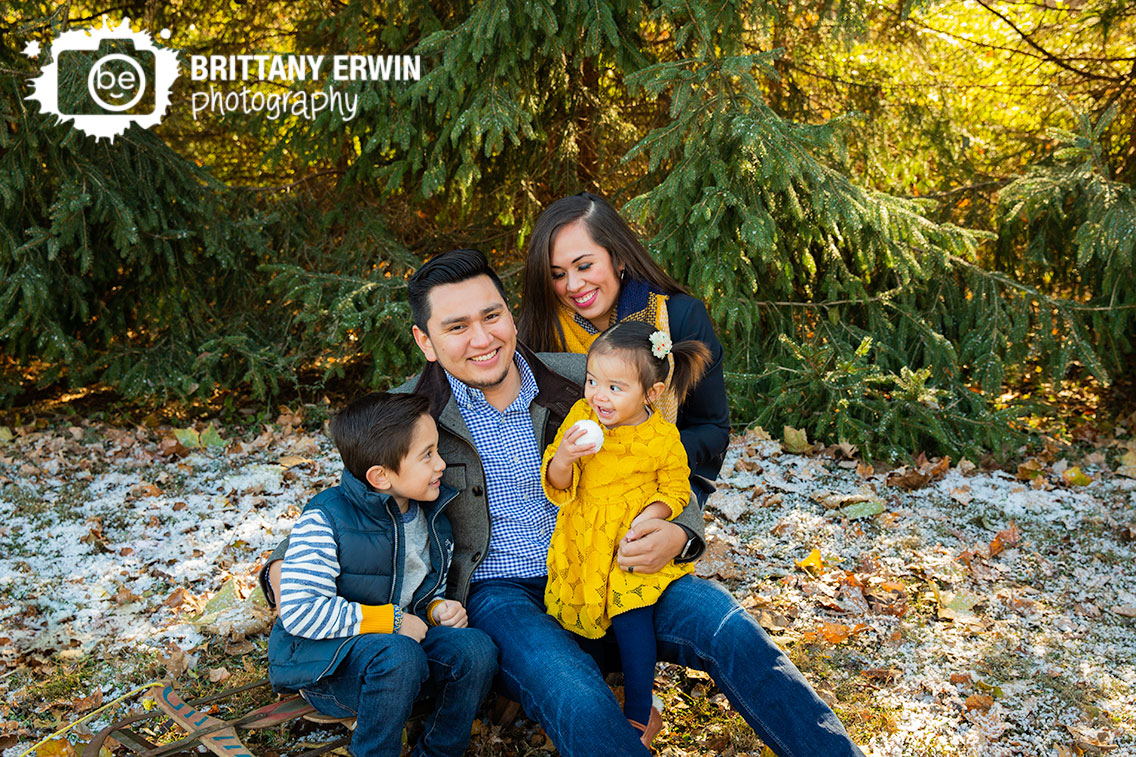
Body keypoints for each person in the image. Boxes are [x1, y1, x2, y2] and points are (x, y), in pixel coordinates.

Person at [264, 248, 865, 757]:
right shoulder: (404, 417)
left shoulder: (592, 378)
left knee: (728, 627)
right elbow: (349, 505)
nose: (482, 339)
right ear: (425, 341)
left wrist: (680, 531)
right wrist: (279, 570)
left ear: (512, 316)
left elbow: (665, 464)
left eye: (492, 315)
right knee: (575, 694)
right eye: (455, 327)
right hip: (501, 595)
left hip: (614, 567)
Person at [267, 392, 496, 757]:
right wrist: (390, 621)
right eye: (427, 455)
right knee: (397, 654)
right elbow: (299, 612)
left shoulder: (430, 514)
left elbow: (417, 592)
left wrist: (436, 609)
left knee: (476, 649)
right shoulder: (326, 518)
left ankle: (439, 750)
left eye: (436, 450)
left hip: (401, 657)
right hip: (329, 670)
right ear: (381, 476)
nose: (441, 465)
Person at [543, 320, 711, 745]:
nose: (598, 395)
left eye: (615, 388)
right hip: (583, 541)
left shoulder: (661, 438)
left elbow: (676, 489)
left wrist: (651, 516)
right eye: (593, 381)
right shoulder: (582, 417)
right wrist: (564, 455)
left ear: (650, 394)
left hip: (629, 548)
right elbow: (558, 482)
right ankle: (595, 704)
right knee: (579, 628)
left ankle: (640, 710)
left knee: (631, 618)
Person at [518, 191, 730, 508]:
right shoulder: (541, 328)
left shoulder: (679, 317)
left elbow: (712, 427)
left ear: (618, 257)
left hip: (665, 475)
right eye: (558, 274)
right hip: (569, 482)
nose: (573, 285)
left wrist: (645, 457)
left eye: (585, 266)